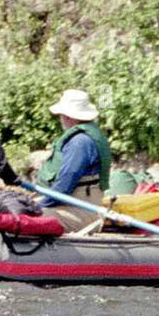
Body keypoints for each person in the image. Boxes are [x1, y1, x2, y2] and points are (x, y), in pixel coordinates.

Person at [35, 89, 112, 231]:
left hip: (81, 212)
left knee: (23, 215)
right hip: (78, 206)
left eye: (61, 115)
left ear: (68, 116)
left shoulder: (79, 142)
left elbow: (64, 185)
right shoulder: (91, 134)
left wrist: (38, 205)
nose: (60, 118)